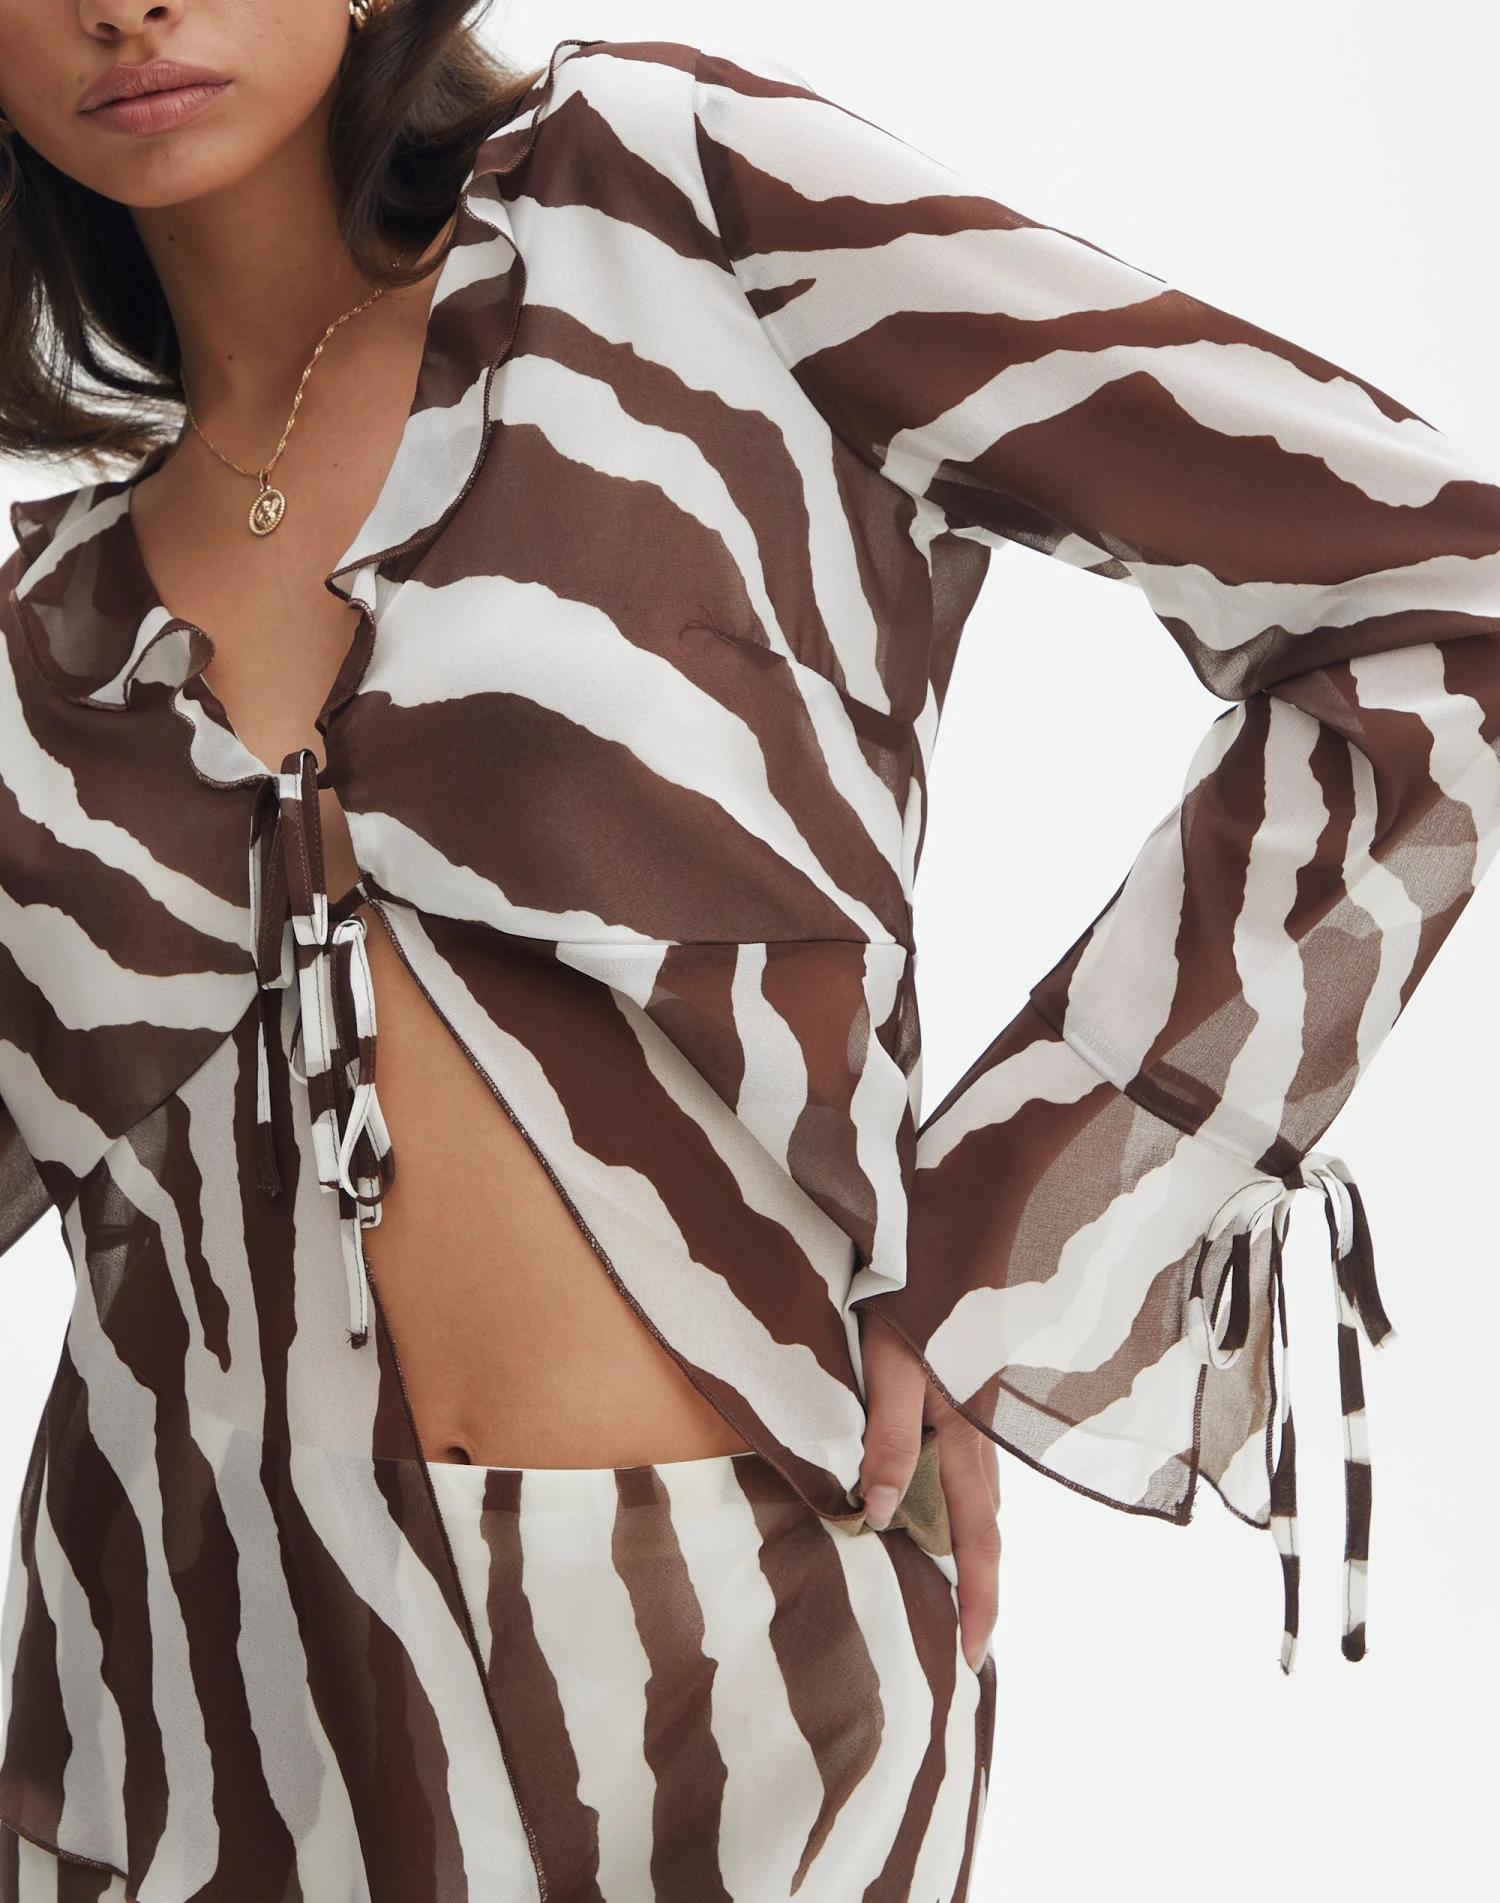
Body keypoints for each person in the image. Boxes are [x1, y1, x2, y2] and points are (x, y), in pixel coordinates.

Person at [0, 3, 1495, 1900]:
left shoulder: (663, 208)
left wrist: (1006, 1234)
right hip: (175, 1749)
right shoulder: (40, 640)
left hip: (757, 1705)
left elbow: (1434, 592)